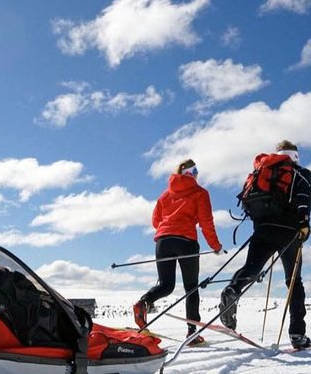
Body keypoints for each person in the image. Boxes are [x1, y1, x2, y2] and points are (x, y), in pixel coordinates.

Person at [220, 140, 311, 350]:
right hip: (289, 231)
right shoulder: (301, 174)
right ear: (295, 156)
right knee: (293, 282)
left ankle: (233, 289)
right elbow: (304, 198)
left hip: (262, 229)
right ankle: (297, 334)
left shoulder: (264, 171)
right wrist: (304, 223)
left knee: (251, 268)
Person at [133, 159, 223, 345]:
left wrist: (169, 230)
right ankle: (192, 333)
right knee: (191, 288)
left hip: (163, 241)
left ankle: (143, 303)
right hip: (186, 242)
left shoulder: (165, 195)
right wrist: (215, 246)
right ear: (191, 173)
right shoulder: (200, 192)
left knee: (166, 285)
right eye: (196, 171)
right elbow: (206, 222)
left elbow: (155, 221)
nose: (198, 174)